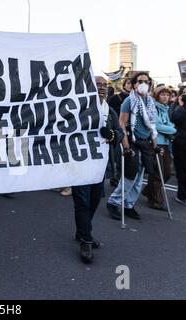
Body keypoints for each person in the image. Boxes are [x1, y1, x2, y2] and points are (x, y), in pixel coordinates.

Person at [72, 76, 123, 264]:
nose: (102, 88)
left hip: (100, 164)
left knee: (94, 200)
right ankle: (86, 240)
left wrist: (112, 135)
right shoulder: (78, 107)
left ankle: (81, 231)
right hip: (80, 162)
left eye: (105, 85)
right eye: (98, 85)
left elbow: (119, 132)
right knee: (82, 201)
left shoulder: (109, 111)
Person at [106, 72, 160, 220]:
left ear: (150, 84)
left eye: (146, 81)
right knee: (131, 174)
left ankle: (128, 204)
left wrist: (155, 146)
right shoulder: (128, 101)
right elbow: (122, 124)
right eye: (140, 81)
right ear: (134, 84)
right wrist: (127, 146)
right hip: (132, 141)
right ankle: (114, 202)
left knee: (140, 176)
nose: (143, 84)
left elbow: (152, 126)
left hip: (145, 142)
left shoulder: (151, 102)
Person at [141, 86, 176, 210]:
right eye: (162, 94)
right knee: (160, 172)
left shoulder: (165, 108)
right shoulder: (154, 107)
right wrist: (174, 130)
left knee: (166, 172)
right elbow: (157, 126)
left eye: (167, 94)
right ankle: (156, 200)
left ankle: (148, 190)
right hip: (156, 143)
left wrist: (170, 128)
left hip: (165, 143)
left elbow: (168, 124)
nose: (165, 97)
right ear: (157, 95)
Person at [107, 78, 132, 186]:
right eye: (128, 83)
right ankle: (115, 176)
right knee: (118, 155)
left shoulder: (137, 99)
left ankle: (121, 177)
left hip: (131, 132)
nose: (131, 85)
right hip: (118, 130)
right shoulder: (115, 98)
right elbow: (108, 113)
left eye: (132, 83)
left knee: (128, 156)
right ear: (124, 85)